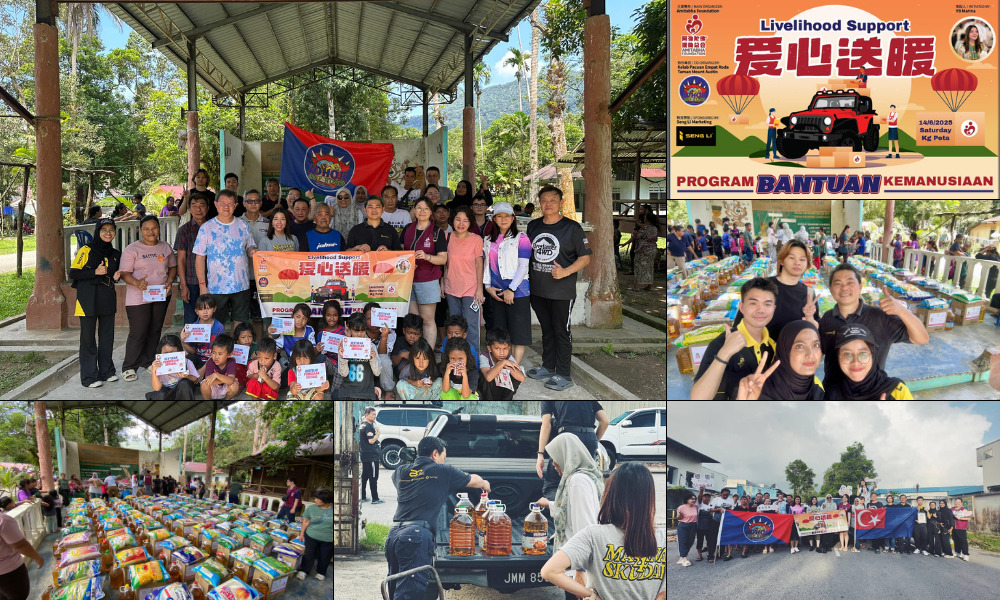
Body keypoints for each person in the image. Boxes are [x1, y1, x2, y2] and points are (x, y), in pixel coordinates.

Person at [386, 437, 491, 600]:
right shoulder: (443, 471)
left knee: (396, 587)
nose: (444, 460)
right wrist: (485, 483)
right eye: (444, 456)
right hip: (416, 536)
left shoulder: (400, 472)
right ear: (435, 454)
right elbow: (475, 480)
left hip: (394, 535)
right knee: (410, 593)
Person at [540, 463, 666, 600]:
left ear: (611, 495)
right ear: (649, 498)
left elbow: (549, 571)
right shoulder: (661, 537)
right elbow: (663, 593)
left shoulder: (593, 535)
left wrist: (590, 595)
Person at [819, 263, 929, 388]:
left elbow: (922, 338)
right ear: (830, 288)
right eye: (838, 283)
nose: (844, 288)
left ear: (860, 286)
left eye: (850, 282)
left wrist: (901, 310)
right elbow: (821, 351)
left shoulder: (881, 317)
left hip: (871, 393)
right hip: (833, 392)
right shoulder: (827, 318)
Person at [526, 186, 592, 391]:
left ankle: (563, 374)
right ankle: (547, 366)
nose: (548, 204)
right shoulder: (534, 226)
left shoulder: (572, 228)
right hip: (537, 289)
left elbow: (585, 257)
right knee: (546, 330)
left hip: (561, 291)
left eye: (552, 200)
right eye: (544, 200)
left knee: (561, 331)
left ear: (561, 202)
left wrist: (566, 271)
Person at [533, 434, 604, 596]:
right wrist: (549, 504)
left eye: (555, 459)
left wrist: (580, 570)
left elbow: (585, 527)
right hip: (577, 562)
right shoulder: (587, 475)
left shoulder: (578, 481)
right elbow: (571, 510)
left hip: (579, 566)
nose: (555, 464)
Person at [691, 278, 778, 400]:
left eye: (767, 304)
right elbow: (697, 399)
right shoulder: (722, 343)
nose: (761, 310)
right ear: (741, 307)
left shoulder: (772, 345)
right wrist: (725, 353)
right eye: (753, 303)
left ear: (774, 308)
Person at [119, 215, 177, 382]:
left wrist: (170, 280)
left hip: (161, 295)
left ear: (159, 228)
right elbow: (124, 273)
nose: (150, 232)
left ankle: (149, 360)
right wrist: (137, 283)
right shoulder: (132, 249)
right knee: (139, 332)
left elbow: (172, 266)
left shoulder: (165, 247)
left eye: (154, 228)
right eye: (146, 228)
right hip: (138, 297)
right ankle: (129, 366)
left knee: (155, 329)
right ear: (140, 230)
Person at [193, 190, 259, 336]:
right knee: (217, 323)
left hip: (241, 284)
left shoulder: (242, 225)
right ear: (216, 204)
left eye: (230, 204)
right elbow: (200, 258)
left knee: (240, 322)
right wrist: (202, 286)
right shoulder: (207, 228)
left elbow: (249, 247)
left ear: (235, 205)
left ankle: (236, 354)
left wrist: (253, 250)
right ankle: (220, 353)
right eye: (223, 203)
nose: (226, 207)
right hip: (217, 286)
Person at [70, 218, 123, 388]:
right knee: (88, 338)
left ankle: (107, 372)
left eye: (111, 230)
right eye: (104, 230)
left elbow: (112, 274)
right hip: (87, 298)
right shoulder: (86, 250)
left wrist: (116, 276)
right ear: (97, 232)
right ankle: (90, 377)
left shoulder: (115, 253)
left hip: (107, 296)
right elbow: (73, 273)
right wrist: (95, 271)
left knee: (107, 336)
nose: (108, 233)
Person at [733, 240, 815, 340]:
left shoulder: (809, 293)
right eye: (791, 258)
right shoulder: (762, 286)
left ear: (807, 265)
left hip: (791, 353)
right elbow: (739, 325)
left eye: (802, 259)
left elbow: (814, 327)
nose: (797, 263)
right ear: (781, 261)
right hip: (760, 351)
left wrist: (811, 320)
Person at [483, 203, 532, 365]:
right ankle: (502, 365)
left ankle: (514, 367)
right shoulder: (488, 240)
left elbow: (524, 266)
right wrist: (487, 287)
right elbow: (487, 266)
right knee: (500, 333)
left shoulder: (522, 238)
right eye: (499, 216)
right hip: (497, 293)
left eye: (507, 216)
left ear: (513, 218)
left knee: (518, 334)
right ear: (494, 219)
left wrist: (512, 289)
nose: (503, 219)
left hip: (518, 292)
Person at [536, 402, 609, 503]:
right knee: (585, 478)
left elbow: (546, 424)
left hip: (568, 438)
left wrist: (540, 454)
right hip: (590, 438)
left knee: (552, 487)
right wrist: (594, 442)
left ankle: (564, 512)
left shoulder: (548, 397)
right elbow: (605, 421)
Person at [825, 324, 914, 399]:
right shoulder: (832, 395)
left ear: (873, 356)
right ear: (838, 358)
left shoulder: (897, 391)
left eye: (863, 354)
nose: (855, 362)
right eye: (847, 354)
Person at [443, 206, 485, 356]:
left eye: (465, 220)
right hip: (451, 288)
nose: (461, 223)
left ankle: (473, 360)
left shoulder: (476, 239)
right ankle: (456, 357)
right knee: (455, 326)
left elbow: (480, 264)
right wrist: (443, 282)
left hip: (471, 289)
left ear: (470, 222)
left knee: (471, 326)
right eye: (458, 219)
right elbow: (445, 263)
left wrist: (479, 289)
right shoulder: (447, 237)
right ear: (452, 220)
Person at [754, 321, 825, 400]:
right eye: (800, 346)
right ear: (785, 351)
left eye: (816, 345)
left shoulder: (817, 387)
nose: (810, 355)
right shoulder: (758, 391)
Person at [0, 491, 44, 600]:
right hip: (9, 572)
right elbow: (20, 545)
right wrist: (37, 557)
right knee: (18, 595)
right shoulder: (3, 520)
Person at [174, 193, 210, 324]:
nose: (198, 209)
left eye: (202, 206)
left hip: (213, 281)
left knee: (211, 318)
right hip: (192, 282)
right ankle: (190, 345)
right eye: (194, 206)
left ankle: (211, 345)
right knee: (191, 319)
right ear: (189, 209)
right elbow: (181, 260)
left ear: (208, 207)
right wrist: (183, 285)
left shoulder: (214, 228)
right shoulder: (184, 230)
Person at [295, 487, 334, 581]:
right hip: (311, 536)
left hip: (329, 538)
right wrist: (301, 534)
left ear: (326, 500)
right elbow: (306, 521)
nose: (315, 500)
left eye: (318, 499)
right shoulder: (311, 508)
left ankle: (321, 572)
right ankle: (304, 570)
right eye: (315, 498)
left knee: (325, 556)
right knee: (309, 554)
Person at [478, 329, 525, 399]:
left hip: (502, 391)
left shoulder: (509, 358)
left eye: (505, 349)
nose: (502, 353)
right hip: (488, 392)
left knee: (515, 375)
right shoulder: (484, 356)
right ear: (489, 348)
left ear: (509, 348)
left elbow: (521, 378)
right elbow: (488, 377)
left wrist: (505, 364)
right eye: (497, 348)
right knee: (486, 376)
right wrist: (503, 363)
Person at [359, 407, 383, 505]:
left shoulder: (362, 425)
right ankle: (375, 498)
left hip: (365, 454)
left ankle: (363, 496)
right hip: (371, 455)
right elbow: (371, 440)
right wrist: (378, 433)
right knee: (373, 476)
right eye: (372, 414)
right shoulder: (368, 426)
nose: (374, 416)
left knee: (365, 476)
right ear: (366, 415)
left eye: (375, 414)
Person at [630, 212, 659, 291]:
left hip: (643, 249)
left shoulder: (644, 229)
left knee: (638, 266)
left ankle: (636, 286)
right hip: (652, 249)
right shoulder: (655, 228)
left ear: (647, 220)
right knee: (649, 267)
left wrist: (634, 233)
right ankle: (649, 285)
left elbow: (636, 236)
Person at [675, 492, 698, 568]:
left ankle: (681, 557)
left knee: (691, 541)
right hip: (683, 525)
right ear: (687, 499)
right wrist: (679, 514)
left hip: (693, 525)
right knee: (683, 541)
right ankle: (684, 558)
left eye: (695, 499)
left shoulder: (695, 507)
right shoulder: (681, 507)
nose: (694, 500)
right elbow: (678, 518)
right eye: (692, 499)